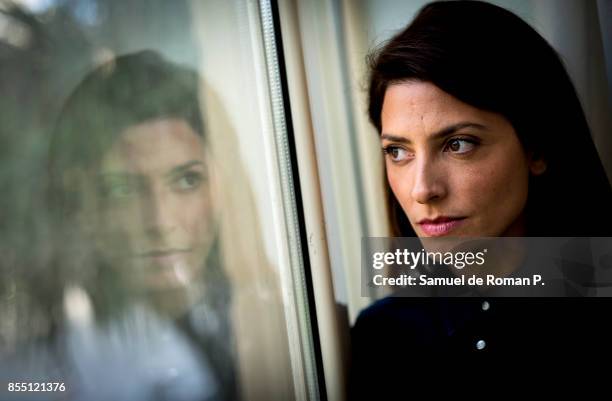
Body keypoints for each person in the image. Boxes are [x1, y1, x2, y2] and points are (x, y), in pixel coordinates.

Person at [350, 0, 612, 397]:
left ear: (537, 148)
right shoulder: (384, 338)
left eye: (458, 144)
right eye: (398, 152)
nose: (422, 189)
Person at [45, 50, 237, 401]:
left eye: (186, 181)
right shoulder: (46, 363)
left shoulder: (269, 324)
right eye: (123, 190)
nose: (160, 222)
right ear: (80, 206)